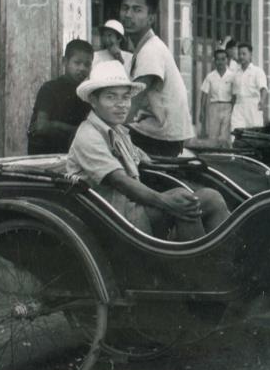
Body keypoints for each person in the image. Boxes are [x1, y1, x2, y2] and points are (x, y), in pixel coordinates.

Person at [67, 60, 229, 240]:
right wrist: (166, 201)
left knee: (210, 198)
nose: (121, 104)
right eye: (111, 97)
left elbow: (142, 158)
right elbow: (120, 181)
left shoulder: (117, 131)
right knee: (183, 201)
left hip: (129, 208)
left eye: (125, 97)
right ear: (93, 101)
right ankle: (197, 265)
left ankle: (225, 260)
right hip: (111, 218)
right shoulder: (89, 135)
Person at [121, 0, 195, 157]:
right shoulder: (143, 47)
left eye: (137, 10)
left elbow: (133, 102)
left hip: (161, 136)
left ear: (151, 18)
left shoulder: (151, 50)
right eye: (125, 8)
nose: (128, 14)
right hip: (158, 130)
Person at [27, 39, 94, 154]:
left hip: (73, 155)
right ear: (65, 62)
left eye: (87, 64)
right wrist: (77, 130)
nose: (82, 68)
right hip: (45, 155)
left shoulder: (88, 94)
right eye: (77, 63)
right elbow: (41, 127)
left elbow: (91, 131)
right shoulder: (50, 89)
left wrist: (54, 125)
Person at [198, 48, 235, 143]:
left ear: (227, 60)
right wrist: (202, 111)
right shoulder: (210, 76)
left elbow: (235, 93)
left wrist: (234, 108)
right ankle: (214, 155)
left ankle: (225, 156)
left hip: (228, 106)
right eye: (218, 59)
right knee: (213, 134)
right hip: (214, 106)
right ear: (214, 60)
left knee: (225, 135)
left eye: (223, 59)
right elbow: (204, 93)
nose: (221, 62)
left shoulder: (232, 76)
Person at [231, 42, 268, 130]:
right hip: (239, 105)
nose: (241, 57)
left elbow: (263, 88)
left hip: (253, 105)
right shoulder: (236, 73)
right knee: (236, 131)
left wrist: (262, 102)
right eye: (239, 54)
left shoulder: (257, 71)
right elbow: (233, 93)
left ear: (250, 55)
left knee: (254, 133)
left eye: (244, 54)